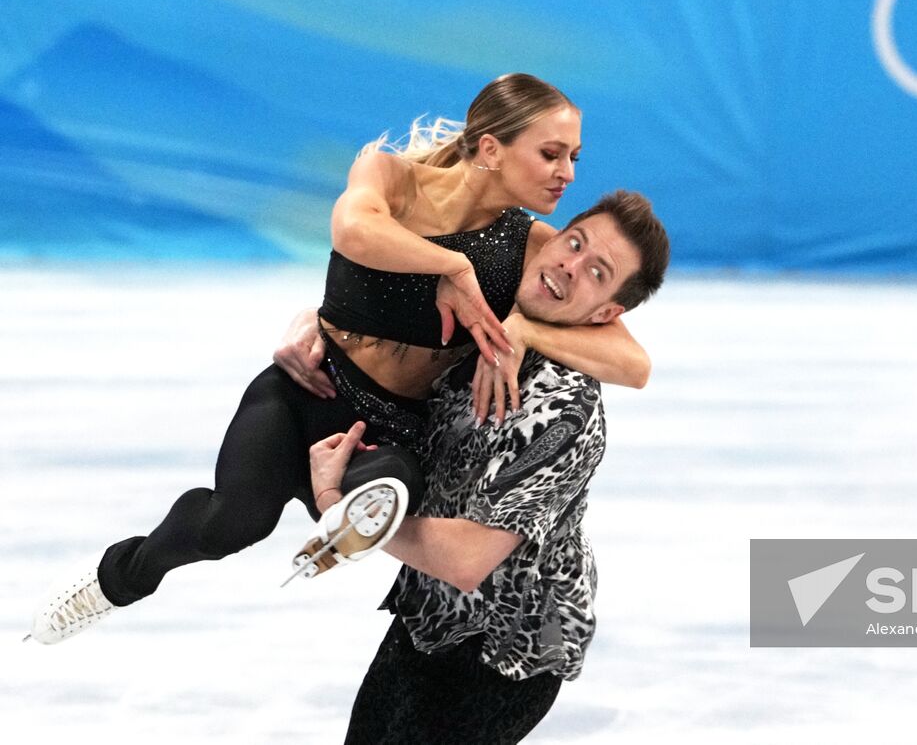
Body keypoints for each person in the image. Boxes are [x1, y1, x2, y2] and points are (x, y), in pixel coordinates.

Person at [27, 74, 649, 645]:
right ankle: (118, 577)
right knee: (231, 524)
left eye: (573, 157)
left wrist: (518, 329)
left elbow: (633, 361)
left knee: (390, 489)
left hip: (388, 431)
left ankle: (343, 522)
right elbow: (353, 232)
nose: (567, 173)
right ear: (489, 148)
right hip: (305, 390)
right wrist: (452, 265)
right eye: (551, 154)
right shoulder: (390, 178)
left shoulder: (533, 246)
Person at [297, 190, 669, 744]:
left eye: (596, 271)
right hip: (429, 618)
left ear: (606, 313)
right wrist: (313, 323)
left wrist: (340, 511)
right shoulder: (488, 319)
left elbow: (469, 558)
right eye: (574, 242)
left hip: (502, 654)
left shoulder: (563, 409)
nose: (568, 265)